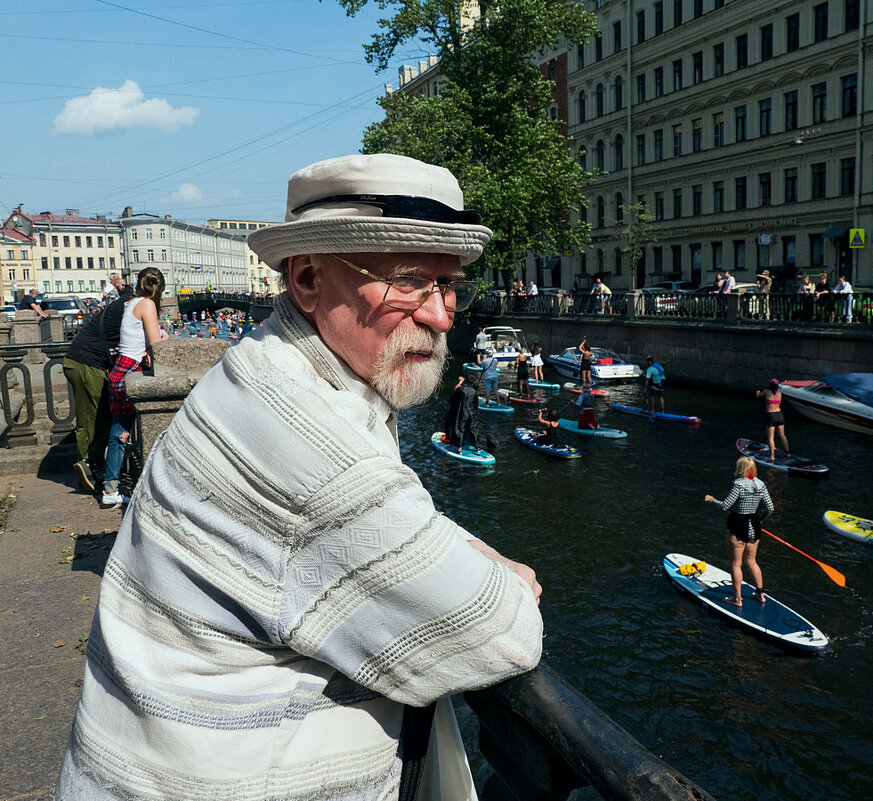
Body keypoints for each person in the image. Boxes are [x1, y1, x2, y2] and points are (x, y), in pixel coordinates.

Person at [56, 153, 543, 801]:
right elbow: (502, 633)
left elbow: (385, 526)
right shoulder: (306, 439)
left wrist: (458, 550)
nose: (442, 315)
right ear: (309, 279)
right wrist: (506, 577)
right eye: (408, 282)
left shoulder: (267, 369)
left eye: (449, 284)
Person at [101, 267, 169, 506]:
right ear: (159, 287)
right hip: (130, 370)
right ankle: (112, 490)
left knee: (119, 430)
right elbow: (156, 344)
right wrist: (165, 337)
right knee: (121, 432)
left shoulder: (131, 302)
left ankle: (111, 488)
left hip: (121, 367)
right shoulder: (148, 305)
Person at [62, 278, 135, 492]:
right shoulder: (131, 306)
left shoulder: (128, 302)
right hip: (84, 362)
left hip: (93, 363)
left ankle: (94, 462)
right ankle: (86, 464)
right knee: (90, 419)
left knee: (104, 415)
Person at [704, 456, 774, 607]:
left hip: (738, 525)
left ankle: (737, 599)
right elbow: (770, 508)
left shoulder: (738, 485)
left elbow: (725, 505)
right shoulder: (760, 484)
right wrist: (760, 519)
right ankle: (760, 595)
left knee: (736, 564)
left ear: (741, 469)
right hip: (754, 524)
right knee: (752, 561)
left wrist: (712, 500)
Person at [755, 379, 790, 460]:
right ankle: (788, 453)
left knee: (771, 437)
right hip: (779, 415)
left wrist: (757, 392)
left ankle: (772, 456)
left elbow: (759, 396)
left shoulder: (767, 391)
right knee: (782, 435)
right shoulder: (780, 394)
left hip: (771, 415)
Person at [443, 375, 481, 450]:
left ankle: (459, 446)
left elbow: (455, 390)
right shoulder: (474, 392)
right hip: (471, 412)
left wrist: (460, 382)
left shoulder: (461, 389)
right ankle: (476, 446)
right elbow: (475, 404)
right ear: (474, 382)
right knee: (473, 428)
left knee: (460, 428)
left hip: (462, 412)